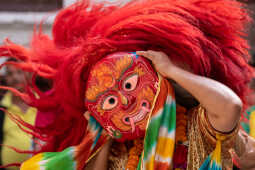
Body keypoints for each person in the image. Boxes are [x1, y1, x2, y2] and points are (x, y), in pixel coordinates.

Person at [0, 0, 254, 169]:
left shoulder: (197, 126)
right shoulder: (119, 150)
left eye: (130, 85)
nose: (125, 101)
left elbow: (230, 105)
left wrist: (171, 70)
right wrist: (102, 133)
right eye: (109, 101)